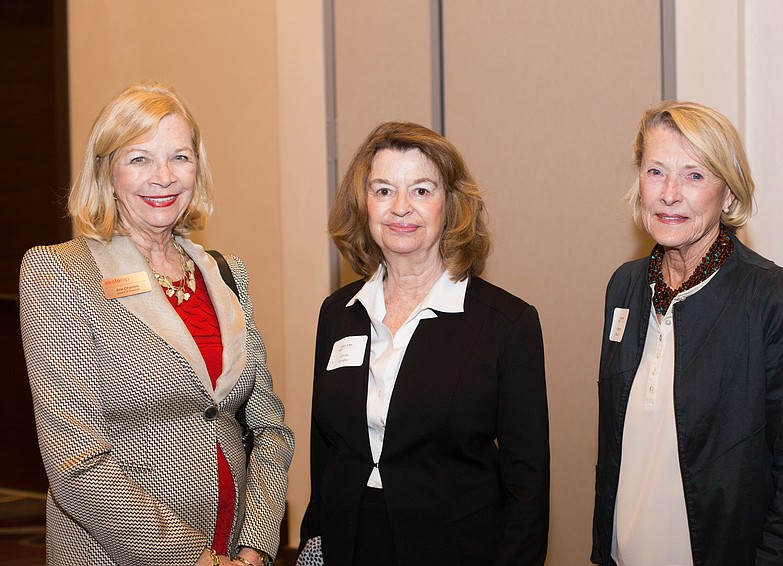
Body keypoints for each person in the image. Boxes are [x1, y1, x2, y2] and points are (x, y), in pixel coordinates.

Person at [19, 82, 294, 566]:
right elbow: (73, 457)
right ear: (107, 172)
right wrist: (194, 560)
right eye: (140, 158)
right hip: (119, 554)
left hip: (233, 547)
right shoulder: (59, 271)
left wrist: (255, 545)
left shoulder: (226, 273)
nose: (164, 177)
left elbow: (269, 426)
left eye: (180, 157)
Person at [298, 122, 549, 565]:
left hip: (454, 548)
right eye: (382, 190)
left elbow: (526, 484)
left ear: (450, 205)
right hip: (348, 544)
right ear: (364, 204)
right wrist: (316, 541)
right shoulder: (338, 312)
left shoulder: (506, 325)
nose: (400, 208)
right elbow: (326, 451)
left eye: (420, 190)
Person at [591, 100, 783, 565]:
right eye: (655, 171)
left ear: (730, 196)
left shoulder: (772, 298)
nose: (669, 194)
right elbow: (612, 445)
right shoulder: (625, 286)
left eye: (694, 175)